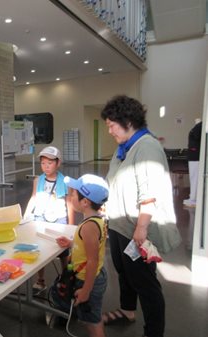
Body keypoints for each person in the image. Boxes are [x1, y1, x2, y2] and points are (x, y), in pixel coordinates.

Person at [100, 95, 181, 337]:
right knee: (124, 272)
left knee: (145, 283)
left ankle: (153, 332)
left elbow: (150, 192)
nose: (110, 131)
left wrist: (142, 228)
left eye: (112, 125)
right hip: (119, 224)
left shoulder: (147, 146)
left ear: (128, 121)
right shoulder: (123, 147)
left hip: (136, 229)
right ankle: (127, 311)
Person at [56, 174, 109, 337]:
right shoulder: (96, 220)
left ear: (85, 202)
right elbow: (92, 247)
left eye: (73, 194)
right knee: (89, 316)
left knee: (92, 320)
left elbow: (92, 260)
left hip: (88, 278)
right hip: (91, 275)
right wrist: (73, 244)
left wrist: (86, 289)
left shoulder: (88, 226)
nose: (70, 196)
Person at [24, 146, 75, 292]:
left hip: (59, 219)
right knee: (40, 250)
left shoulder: (64, 181)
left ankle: (66, 276)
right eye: (43, 163)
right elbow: (34, 197)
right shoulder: (38, 180)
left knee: (63, 251)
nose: (46, 167)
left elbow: (69, 203)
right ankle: (40, 280)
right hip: (40, 217)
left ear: (58, 163)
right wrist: (26, 216)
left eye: (50, 163)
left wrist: (70, 226)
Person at [184, 119, 202, 207]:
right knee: (193, 177)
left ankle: (194, 198)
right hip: (193, 156)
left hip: (195, 157)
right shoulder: (197, 126)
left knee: (194, 178)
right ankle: (192, 196)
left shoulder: (200, 126)